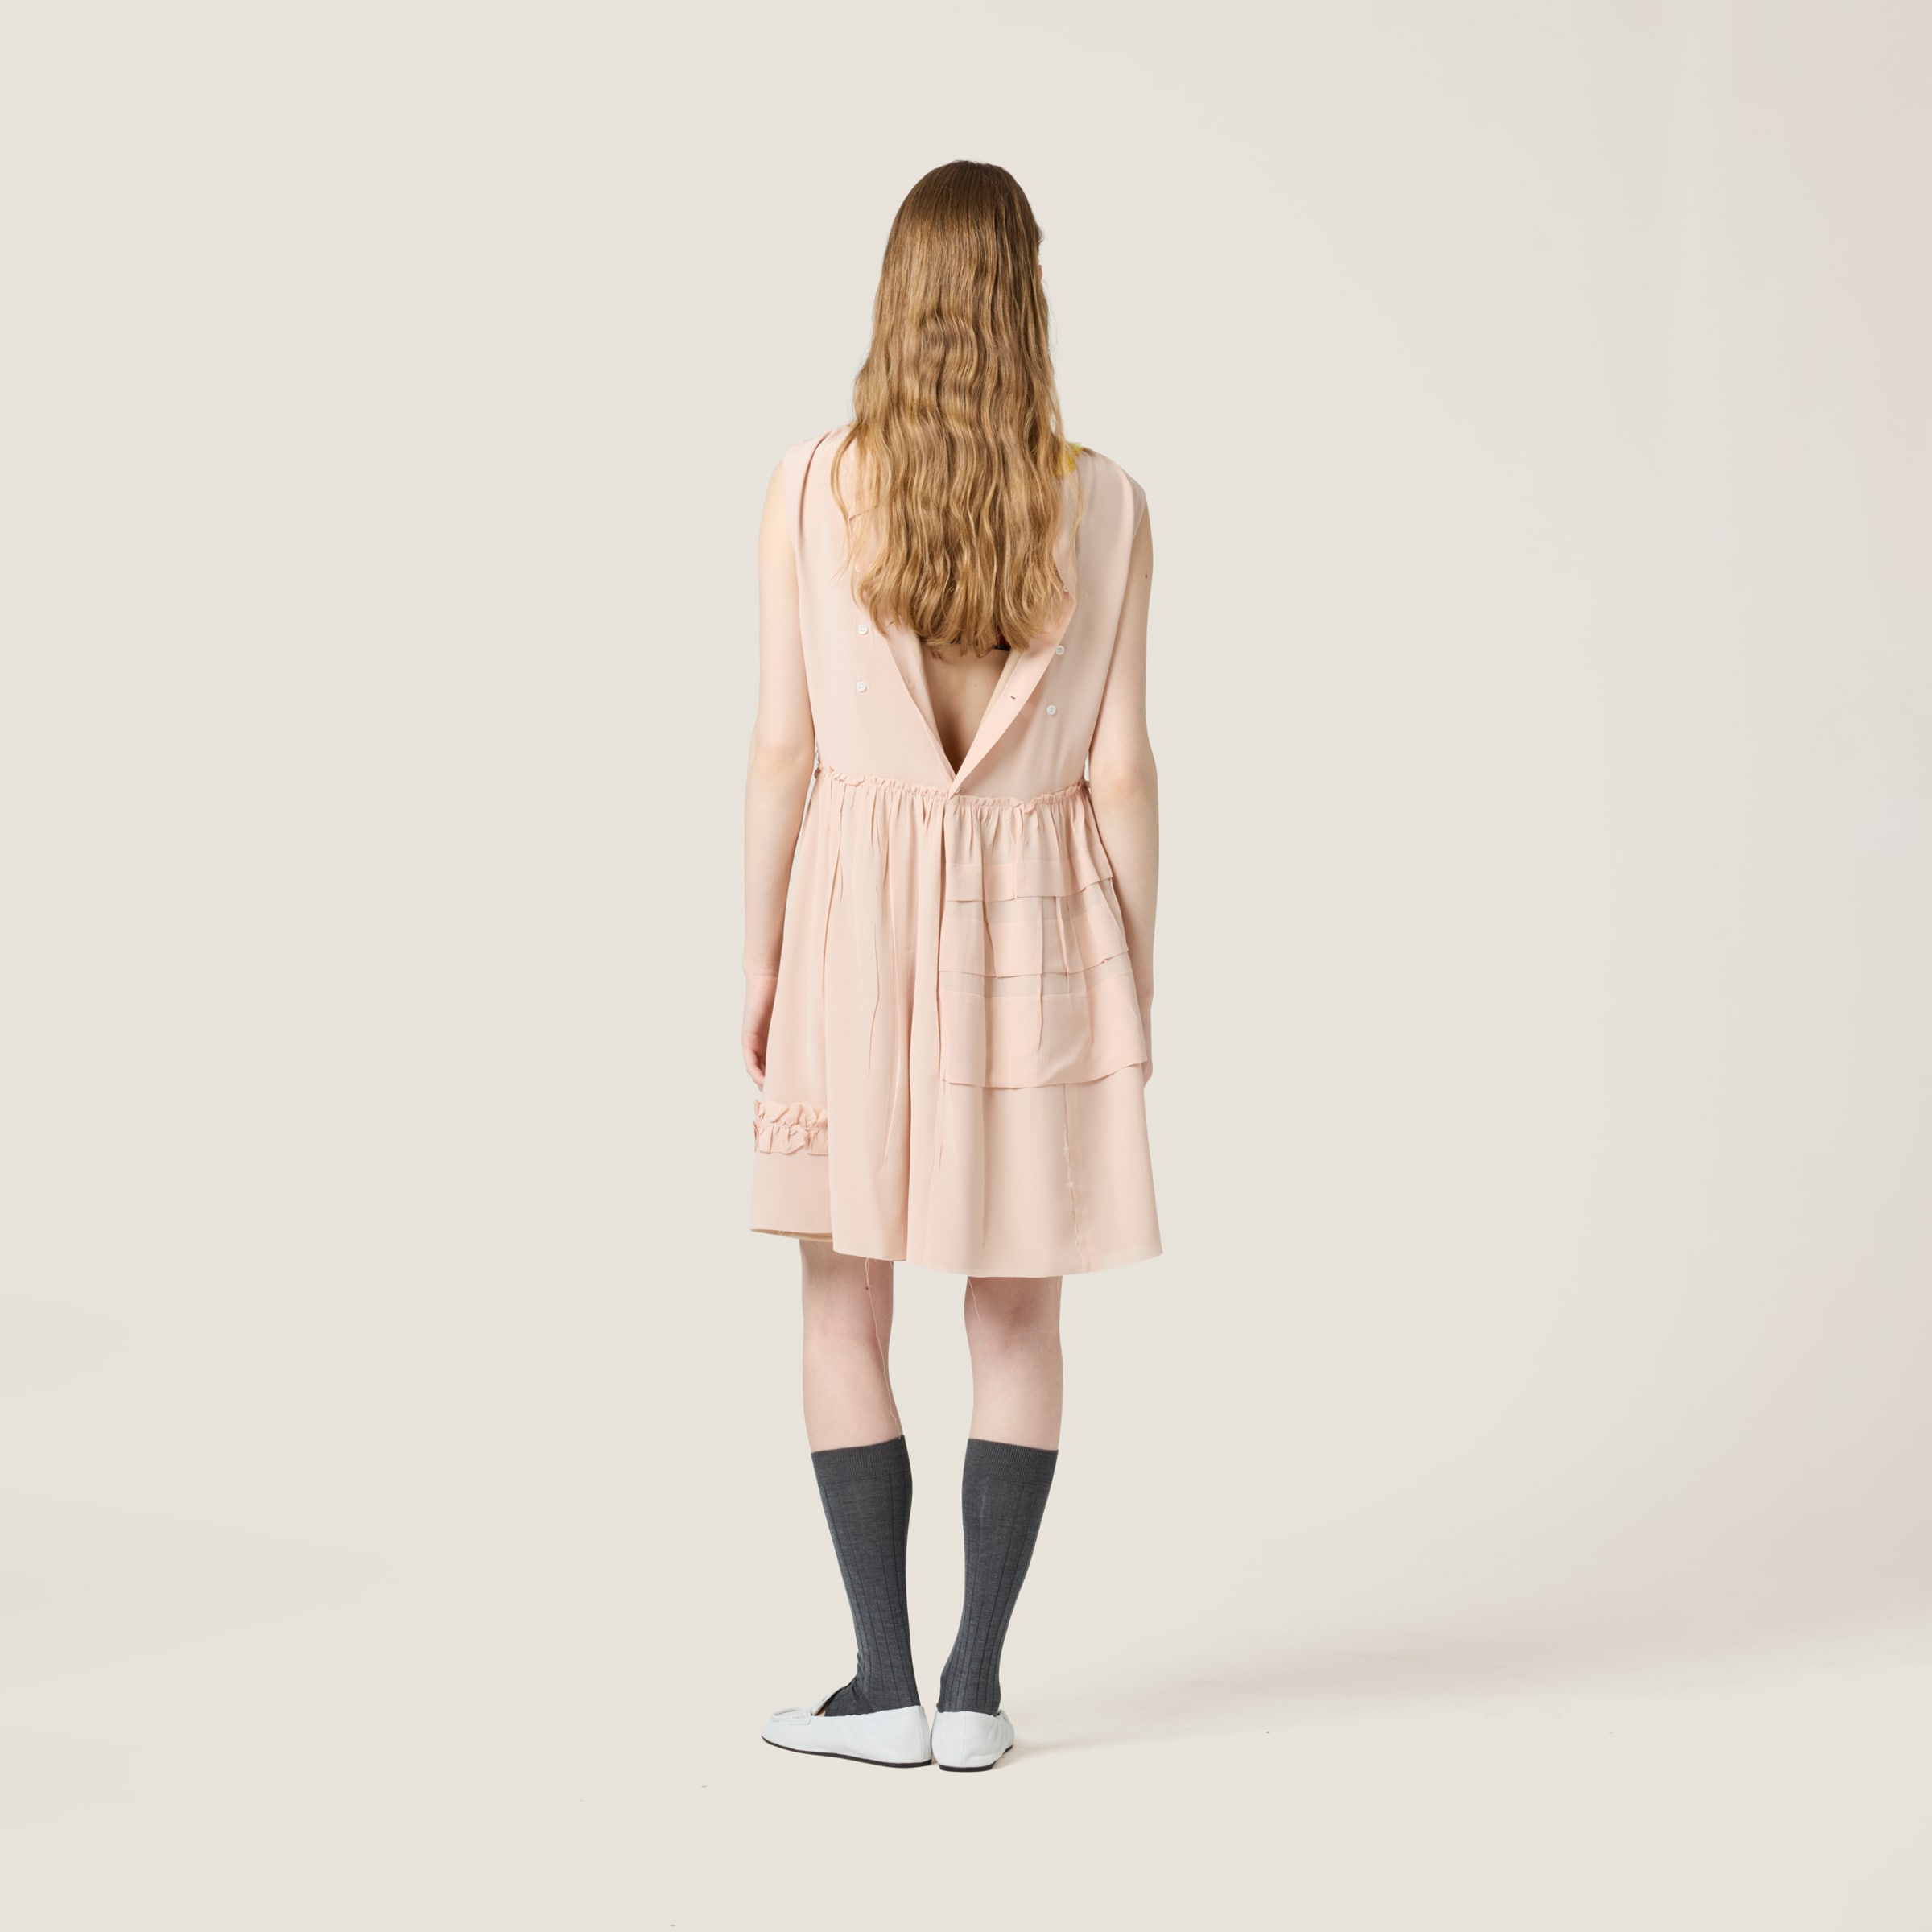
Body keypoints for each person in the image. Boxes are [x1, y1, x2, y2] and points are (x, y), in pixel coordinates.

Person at [741, 160, 1160, 1773]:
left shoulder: (808, 486)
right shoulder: (1108, 505)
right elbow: (1120, 768)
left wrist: (758, 954)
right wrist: (1137, 967)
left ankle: (883, 1687)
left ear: (898, 295)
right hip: (1036, 926)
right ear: (1027, 297)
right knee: (1018, 1308)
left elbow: (782, 749)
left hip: (852, 919)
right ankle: (977, 1689)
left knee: (840, 1298)